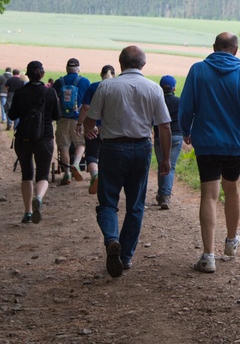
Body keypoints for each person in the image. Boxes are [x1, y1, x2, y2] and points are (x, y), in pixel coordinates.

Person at [179, 32, 240, 274]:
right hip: (235, 145)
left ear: (214, 48)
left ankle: (208, 256)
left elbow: (186, 105)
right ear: (236, 51)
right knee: (232, 189)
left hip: (205, 143)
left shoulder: (197, 71)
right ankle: (231, 242)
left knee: (209, 195)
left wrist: (186, 130)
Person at [83, 46, 171, 278]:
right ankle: (125, 257)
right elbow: (164, 126)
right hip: (141, 148)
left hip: (112, 148)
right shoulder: (153, 88)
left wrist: (90, 131)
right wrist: (166, 159)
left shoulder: (106, 86)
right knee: (135, 206)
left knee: (108, 202)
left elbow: (90, 120)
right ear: (143, 64)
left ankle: (112, 239)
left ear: (120, 63)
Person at [7, 60, 59, 224]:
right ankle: (39, 197)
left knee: (27, 175)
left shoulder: (21, 92)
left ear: (27, 75)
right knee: (43, 175)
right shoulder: (50, 93)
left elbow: (12, 115)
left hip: (24, 138)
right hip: (45, 138)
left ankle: (28, 212)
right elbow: (57, 116)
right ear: (42, 74)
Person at [76, 64, 115, 195]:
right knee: (110, 154)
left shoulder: (93, 86)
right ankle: (108, 181)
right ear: (114, 75)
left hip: (93, 127)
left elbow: (85, 107)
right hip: (111, 129)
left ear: (100, 74)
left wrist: (80, 124)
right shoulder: (117, 87)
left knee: (92, 154)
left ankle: (94, 176)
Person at [52, 58, 91, 186]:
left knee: (63, 146)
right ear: (78, 69)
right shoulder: (85, 81)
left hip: (62, 119)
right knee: (81, 144)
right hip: (78, 119)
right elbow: (88, 102)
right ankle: (76, 163)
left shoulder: (59, 82)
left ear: (66, 69)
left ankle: (67, 173)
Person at [154, 75, 183, 210]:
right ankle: (164, 195)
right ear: (174, 88)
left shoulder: (156, 101)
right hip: (177, 136)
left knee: (162, 165)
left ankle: (162, 194)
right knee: (170, 165)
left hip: (160, 136)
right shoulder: (179, 101)